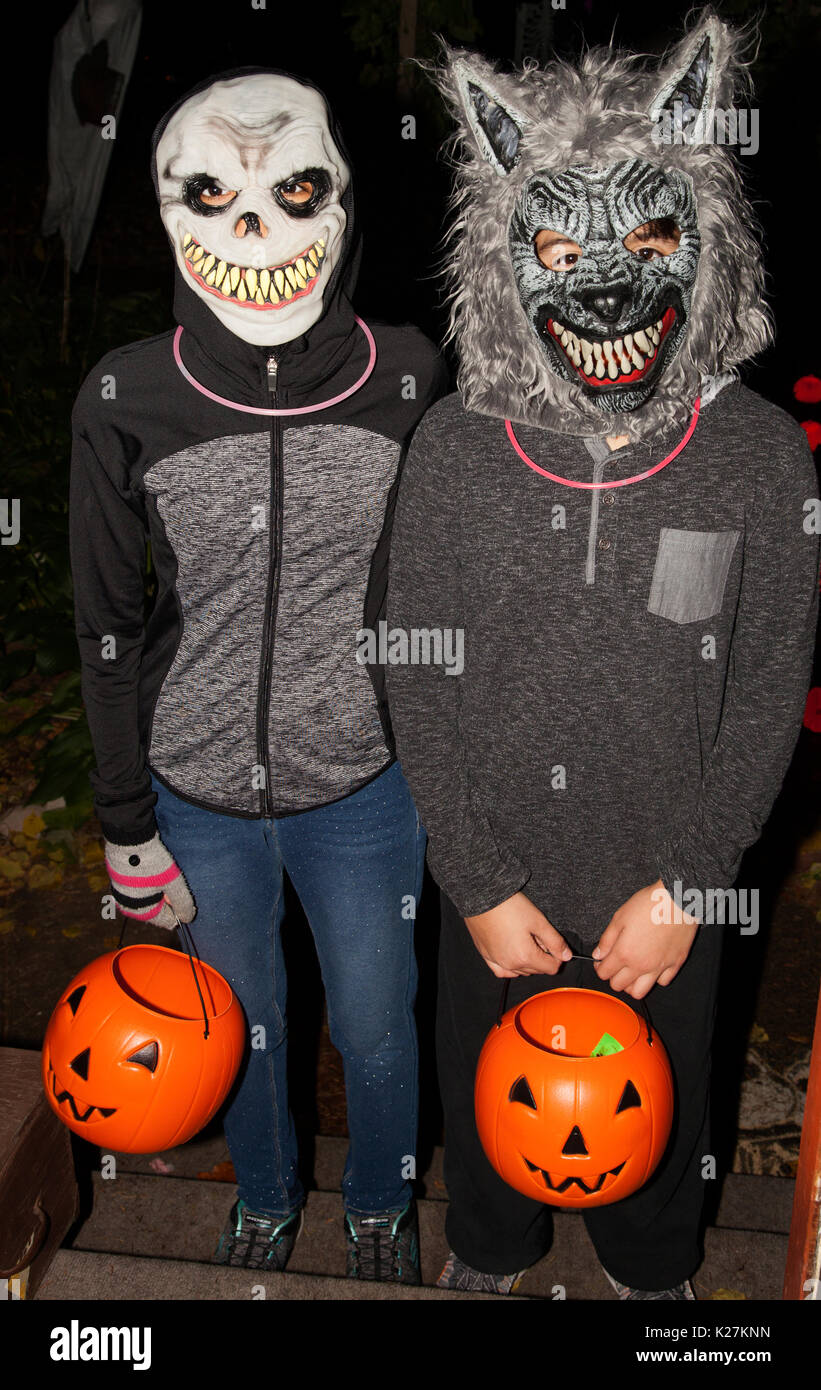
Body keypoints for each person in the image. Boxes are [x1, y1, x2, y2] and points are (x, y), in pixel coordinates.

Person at [386, 12, 819, 1298]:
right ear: (500, 260)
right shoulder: (454, 454)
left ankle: (653, 1280)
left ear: (704, 234)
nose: (607, 287)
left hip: (662, 894)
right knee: (492, 1106)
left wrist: (688, 884)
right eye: (562, 247)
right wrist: (471, 878)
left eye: (645, 238)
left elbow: (764, 689)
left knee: (658, 1114)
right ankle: (486, 1255)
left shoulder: (755, 461)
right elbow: (415, 669)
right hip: (495, 883)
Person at [69, 66, 446, 1282]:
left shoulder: (407, 379)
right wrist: (127, 831)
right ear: (170, 213)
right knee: (245, 1031)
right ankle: (271, 1195)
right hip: (194, 798)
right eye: (212, 193)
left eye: (291, 190)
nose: (252, 230)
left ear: (340, 206)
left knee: (377, 1029)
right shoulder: (127, 398)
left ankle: (382, 1201)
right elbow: (107, 626)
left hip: (365, 791)